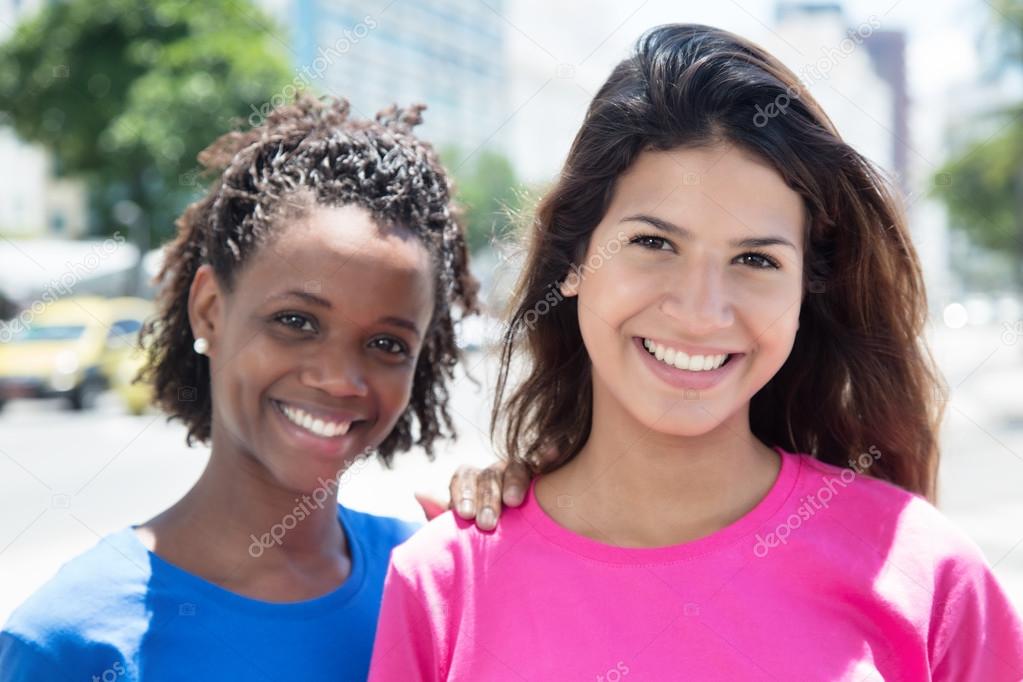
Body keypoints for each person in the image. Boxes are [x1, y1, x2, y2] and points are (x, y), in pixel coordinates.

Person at [368, 24, 1023, 680]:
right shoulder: (442, 583)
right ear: (573, 258)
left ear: (804, 291)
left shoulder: (929, 576)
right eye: (653, 243)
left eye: (754, 259)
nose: (699, 309)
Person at [0, 95, 523, 681]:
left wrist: (542, 521)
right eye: (296, 321)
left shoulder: (436, 578)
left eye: (387, 345)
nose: (337, 379)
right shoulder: (70, 641)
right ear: (209, 311)